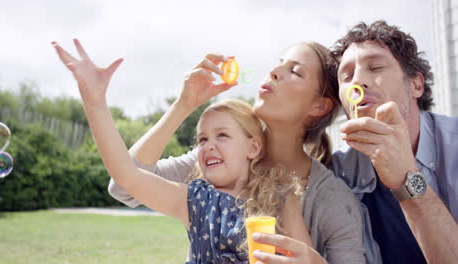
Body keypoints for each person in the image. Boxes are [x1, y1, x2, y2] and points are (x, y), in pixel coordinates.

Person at [51, 39, 328, 263]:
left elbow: (307, 258)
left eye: (222, 135)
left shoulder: (281, 198)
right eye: (202, 139)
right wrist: (95, 102)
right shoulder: (195, 200)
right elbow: (126, 175)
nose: (208, 145)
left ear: (253, 147)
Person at [108, 42, 369, 263]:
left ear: (319, 105)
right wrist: (184, 103)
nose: (274, 71)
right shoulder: (221, 158)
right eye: (278, 63)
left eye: (295, 71)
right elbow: (123, 187)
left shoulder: (333, 200)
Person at [251, 20, 458, 264]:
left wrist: (406, 179)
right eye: (346, 76)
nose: (358, 82)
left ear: (416, 84)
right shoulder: (338, 175)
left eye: (376, 67)